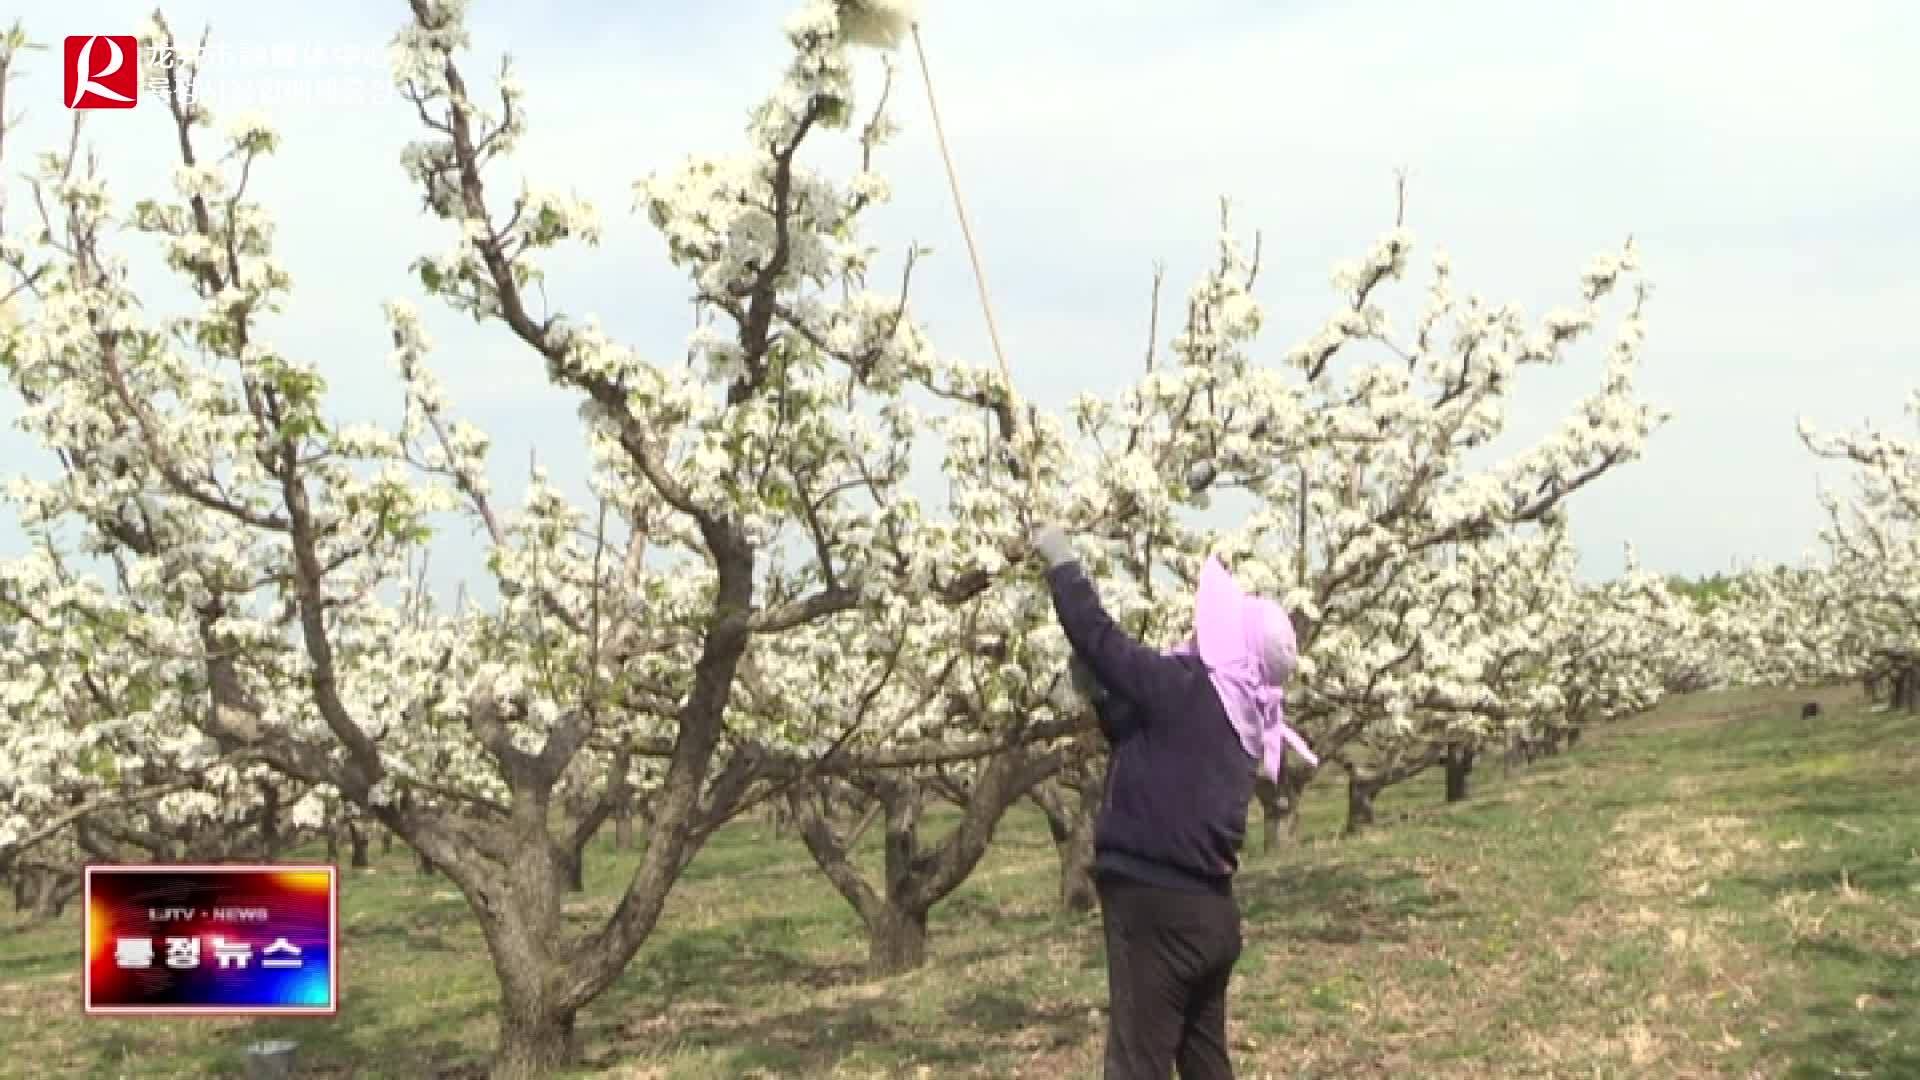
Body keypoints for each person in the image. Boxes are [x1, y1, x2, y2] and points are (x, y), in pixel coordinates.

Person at [1031, 524, 1316, 1079]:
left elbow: (1102, 641)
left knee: (1136, 1063)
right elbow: (1150, 740)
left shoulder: (1190, 686)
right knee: (1205, 1064)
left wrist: (1062, 565)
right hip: (1209, 915)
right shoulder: (1243, 725)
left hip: (1155, 908)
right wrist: (1098, 695)